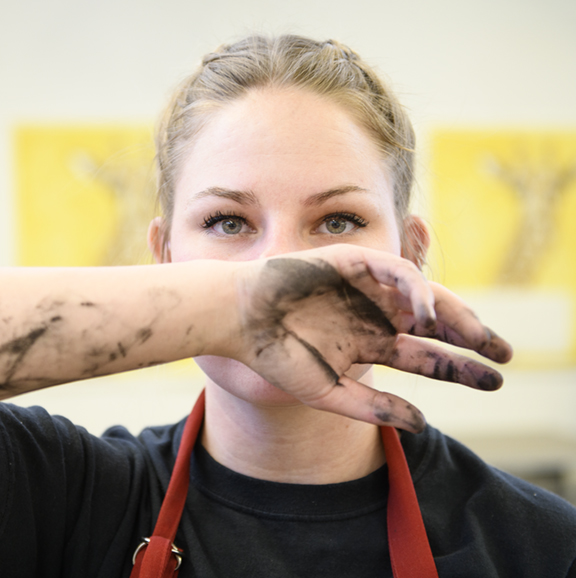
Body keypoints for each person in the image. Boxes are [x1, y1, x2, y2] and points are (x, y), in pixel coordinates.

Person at [0, 34, 574, 578]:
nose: (282, 271)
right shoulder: (59, 495)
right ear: (165, 257)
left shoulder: (542, 546)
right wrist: (237, 304)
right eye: (227, 222)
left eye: (338, 221)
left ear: (410, 255)